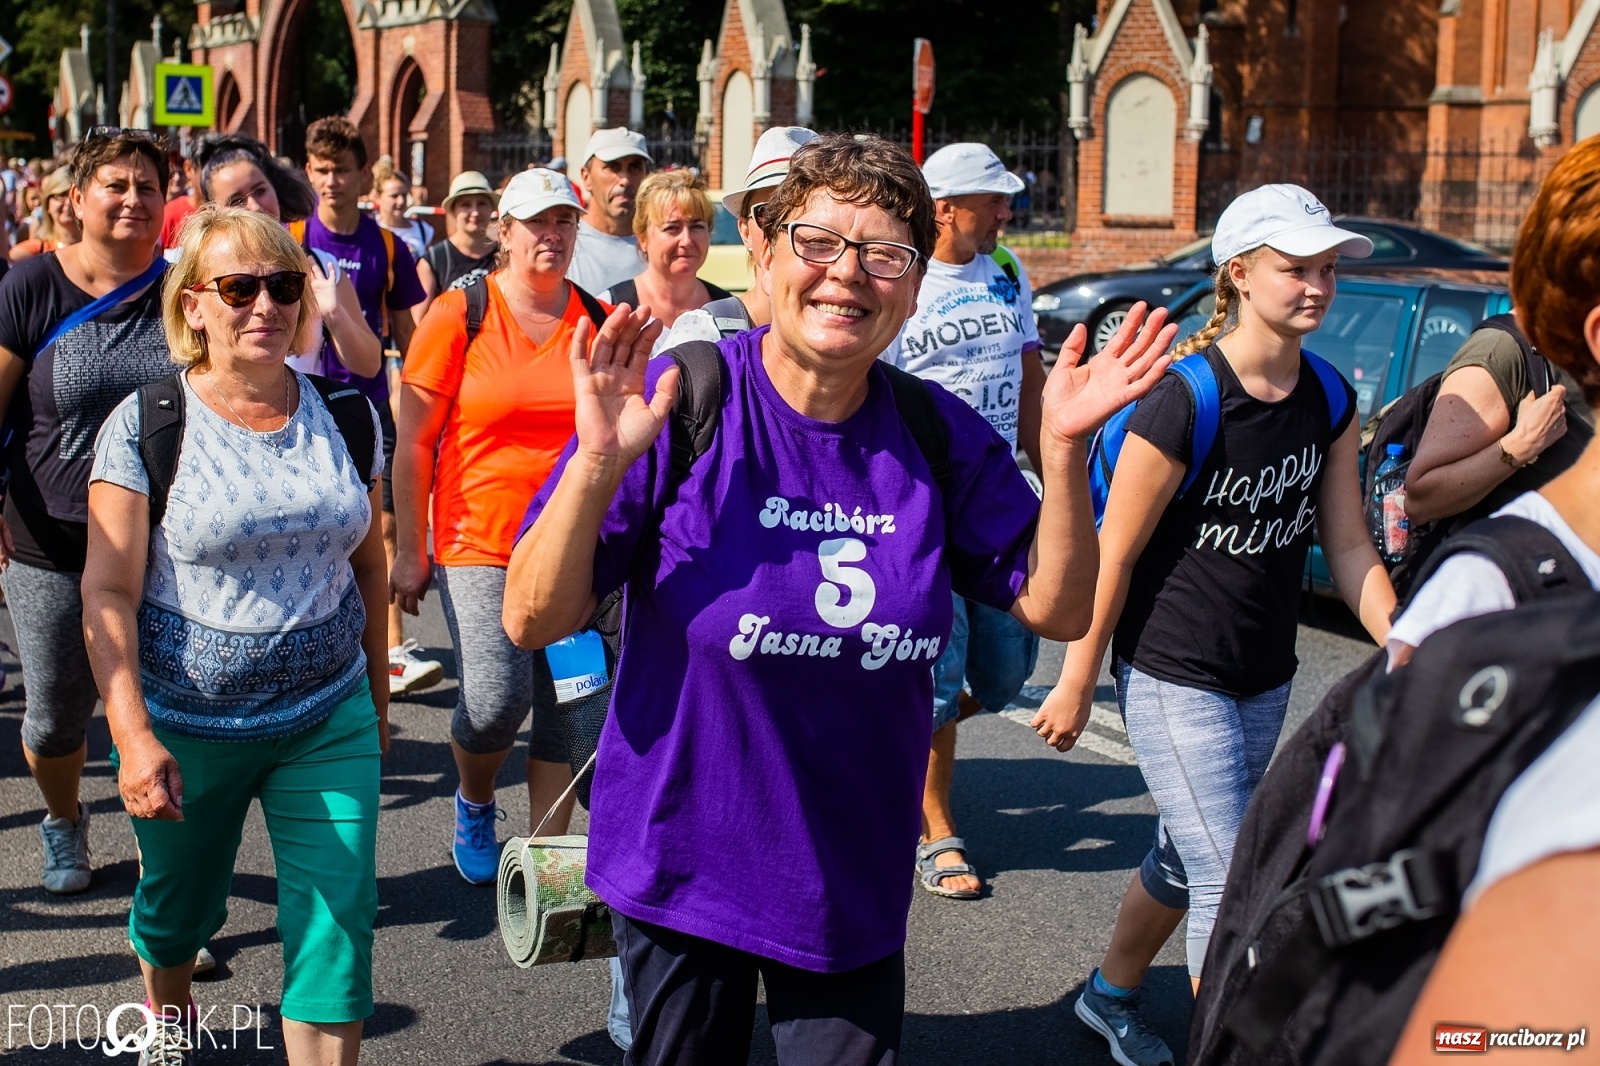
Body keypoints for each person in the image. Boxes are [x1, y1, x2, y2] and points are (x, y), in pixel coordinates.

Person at [503, 133, 1175, 1065]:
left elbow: (1057, 612)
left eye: (884, 254)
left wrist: (1060, 454)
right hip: (684, 870)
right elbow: (530, 619)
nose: (846, 276)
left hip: (848, 882)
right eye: (818, 243)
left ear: (908, 282)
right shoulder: (682, 401)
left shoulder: (932, 432)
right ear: (768, 253)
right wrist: (595, 466)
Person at [1031, 184, 1396, 1066]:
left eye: (1326, 269)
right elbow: (1114, 556)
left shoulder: (1330, 394)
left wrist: (1411, 638)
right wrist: (1078, 679)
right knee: (1234, 881)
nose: (1317, 285)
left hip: (1264, 672)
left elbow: (1348, 545)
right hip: (1171, 669)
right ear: (1239, 273)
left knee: (1183, 850)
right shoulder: (1186, 398)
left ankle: (1108, 996)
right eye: (1295, 268)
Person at [82, 205, 387, 1066]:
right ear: (194, 308)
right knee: (179, 912)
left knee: (336, 928)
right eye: (239, 287)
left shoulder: (347, 415)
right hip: (186, 730)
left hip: (327, 720)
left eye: (284, 286)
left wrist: (376, 693)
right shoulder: (148, 424)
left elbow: (368, 566)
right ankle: (168, 1015)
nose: (265, 306)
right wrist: (132, 733)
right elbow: (106, 590)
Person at [392, 168, 592, 885]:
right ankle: (476, 799)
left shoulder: (591, 318)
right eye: (537, 222)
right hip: (476, 538)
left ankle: (547, 852)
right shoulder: (460, 313)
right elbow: (413, 439)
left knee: (566, 699)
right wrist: (410, 548)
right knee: (495, 698)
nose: (553, 234)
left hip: (570, 544)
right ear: (503, 233)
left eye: (565, 220)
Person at [0, 129, 174, 897]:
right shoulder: (31, 287)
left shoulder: (186, 291)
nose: (133, 197)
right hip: (50, 538)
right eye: (115, 184)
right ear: (77, 200)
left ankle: (167, 886)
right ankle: (64, 817)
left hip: (162, 542)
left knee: (161, 716)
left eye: (147, 186)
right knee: (54, 721)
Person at [880, 141, 1044, 900]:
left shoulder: (1009, 271)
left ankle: (894, 730)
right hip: (926, 508)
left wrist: (1050, 465)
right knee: (940, 683)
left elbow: (1031, 373)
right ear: (944, 208)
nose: (1007, 212)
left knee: (1008, 676)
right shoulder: (904, 281)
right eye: (993, 200)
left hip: (1004, 499)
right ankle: (936, 827)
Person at [300, 117, 439, 698]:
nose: (332, 181)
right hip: (300, 404)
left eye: (342, 171)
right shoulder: (291, 235)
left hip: (367, 403)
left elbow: (413, 339)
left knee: (379, 525)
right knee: (307, 523)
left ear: (363, 175)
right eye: (321, 171)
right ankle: (311, 640)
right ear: (309, 173)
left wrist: (423, 415)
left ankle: (390, 646)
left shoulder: (388, 245)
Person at [192, 132, 381, 382]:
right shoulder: (197, 271)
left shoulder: (321, 267)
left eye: (260, 190)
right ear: (213, 211)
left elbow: (370, 365)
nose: (255, 207)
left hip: (301, 416)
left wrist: (334, 314)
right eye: (236, 200)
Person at [1403, 318, 1592, 533]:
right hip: (1502, 558)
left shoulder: (1584, 351)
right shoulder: (1500, 349)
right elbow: (1420, 501)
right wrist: (1523, 443)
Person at [664, 126, 817, 346]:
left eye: (808, 212)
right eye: (770, 212)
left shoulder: (859, 334)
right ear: (745, 231)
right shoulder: (704, 336)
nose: (788, 229)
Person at [598, 171, 733, 354]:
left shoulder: (729, 312)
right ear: (643, 238)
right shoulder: (610, 309)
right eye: (672, 228)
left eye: (696, 227)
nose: (686, 240)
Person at [566, 127, 650, 296]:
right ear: (586, 177)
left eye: (634, 167)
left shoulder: (662, 245)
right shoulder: (564, 244)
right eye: (612, 167)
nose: (625, 180)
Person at [413, 170, 500, 321]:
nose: (475, 212)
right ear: (453, 211)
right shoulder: (434, 260)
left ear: (492, 208)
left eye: (482, 204)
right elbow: (420, 321)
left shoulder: (506, 256)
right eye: (466, 205)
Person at [9, 168, 80, 262]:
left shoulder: (100, 249)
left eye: (75, 196)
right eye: (61, 195)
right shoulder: (37, 250)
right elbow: (7, 260)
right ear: (47, 204)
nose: (68, 202)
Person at [372, 164, 434, 265]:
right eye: (394, 196)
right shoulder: (369, 228)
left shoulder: (423, 230)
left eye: (404, 195)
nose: (400, 201)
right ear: (378, 198)